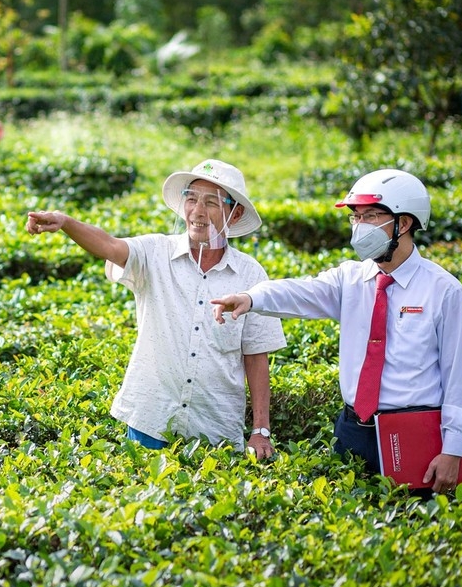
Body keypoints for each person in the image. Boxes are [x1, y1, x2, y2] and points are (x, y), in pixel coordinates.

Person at [211, 169, 462, 493]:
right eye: (355, 217)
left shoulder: (444, 291)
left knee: (413, 528)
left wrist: (452, 449)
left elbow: (456, 379)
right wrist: (251, 297)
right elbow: (300, 292)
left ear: (403, 224)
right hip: (352, 428)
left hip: (412, 432)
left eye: (370, 216)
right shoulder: (351, 279)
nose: (359, 226)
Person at [26, 159, 286, 456]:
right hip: (149, 418)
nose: (197, 212)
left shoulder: (251, 275)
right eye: (191, 198)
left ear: (235, 214)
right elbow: (111, 247)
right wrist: (66, 223)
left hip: (214, 428)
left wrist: (261, 431)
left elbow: (256, 355)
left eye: (212, 202)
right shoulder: (155, 253)